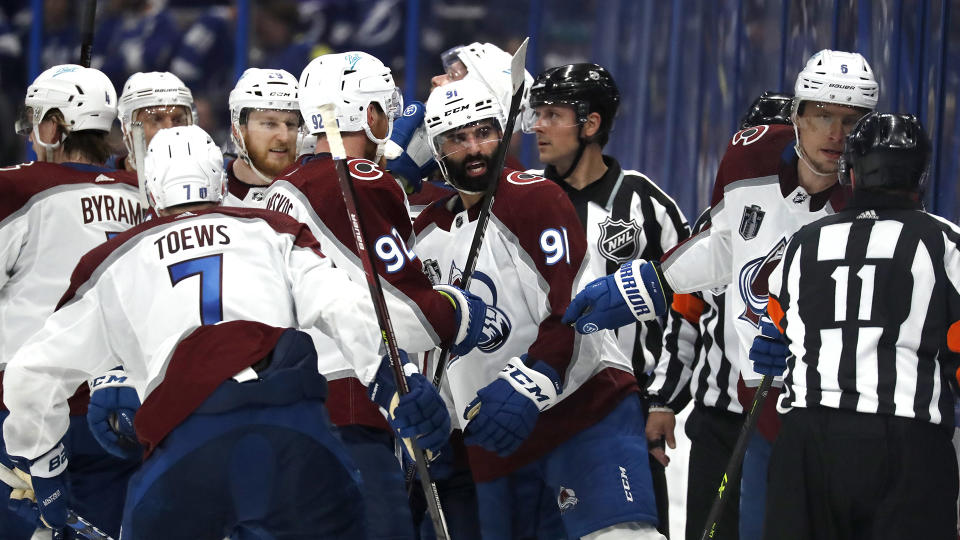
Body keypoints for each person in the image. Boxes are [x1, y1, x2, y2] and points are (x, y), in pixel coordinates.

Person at [1, 124, 452, 539]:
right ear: (220, 184)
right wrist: (394, 380)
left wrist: (44, 465)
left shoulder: (116, 258)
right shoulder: (272, 229)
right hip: (294, 430)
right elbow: (343, 305)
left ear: (151, 193)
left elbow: (31, 375)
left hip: (188, 447)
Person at [563, 49, 879, 538]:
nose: (837, 134)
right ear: (797, 115)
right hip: (753, 402)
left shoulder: (875, 193)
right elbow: (723, 245)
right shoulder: (748, 156)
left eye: (852, 120)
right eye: (823, 116)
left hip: (836, 416)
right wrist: (643, 283)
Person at [416, 78, 665, 540]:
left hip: (585, 413)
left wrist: (535, 380)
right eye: (457, 138)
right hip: (497, 437)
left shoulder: (534, 198)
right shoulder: (427, 229)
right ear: (436, 148)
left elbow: (573, 303)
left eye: (484, 132)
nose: (474, 148)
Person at [264, 50, 487, 539]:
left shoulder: (279, 187)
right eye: (382, 106)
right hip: (346, 407)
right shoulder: (358, 179)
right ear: (366, 113)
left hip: (278, 411)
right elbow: (404, 311)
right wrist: (462, 312)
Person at [754, 112, 959, 539]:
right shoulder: (945, 242)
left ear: (852, 168)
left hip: (807, 440)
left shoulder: (803, 242)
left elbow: (776, 322)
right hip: (907, 441)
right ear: (920, 171)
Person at [524, 62, 693, 535]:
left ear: (591, 124)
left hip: (624, 414)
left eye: (553, 114)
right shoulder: (522, 201)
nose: (538, 125)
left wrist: (662, 400)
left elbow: (688, 303)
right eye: (537, 113)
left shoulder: (647, 204)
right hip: (535, 412)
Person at [643, 91, 796, 540]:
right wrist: (664, 402)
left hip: (789, 419)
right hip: (719, 420)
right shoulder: (717, 227)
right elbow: (684, 322)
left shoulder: (823, 228)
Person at [0, 63, 143, 539]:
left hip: (27, 410)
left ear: (53, 125)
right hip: (122, 409)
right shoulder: (145, 193)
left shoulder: (18, 189)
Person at [224, 67, 301, 206]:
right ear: (237, 129)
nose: (284, 137)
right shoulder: (212, 194)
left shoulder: (314, 193)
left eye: (290, 124)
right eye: (269, 124)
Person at [116, 70, 195, 172]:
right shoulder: (102, 185)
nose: (169, 129)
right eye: (156, 119)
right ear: (126, 127)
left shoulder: (210, 178)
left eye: (178, 120)